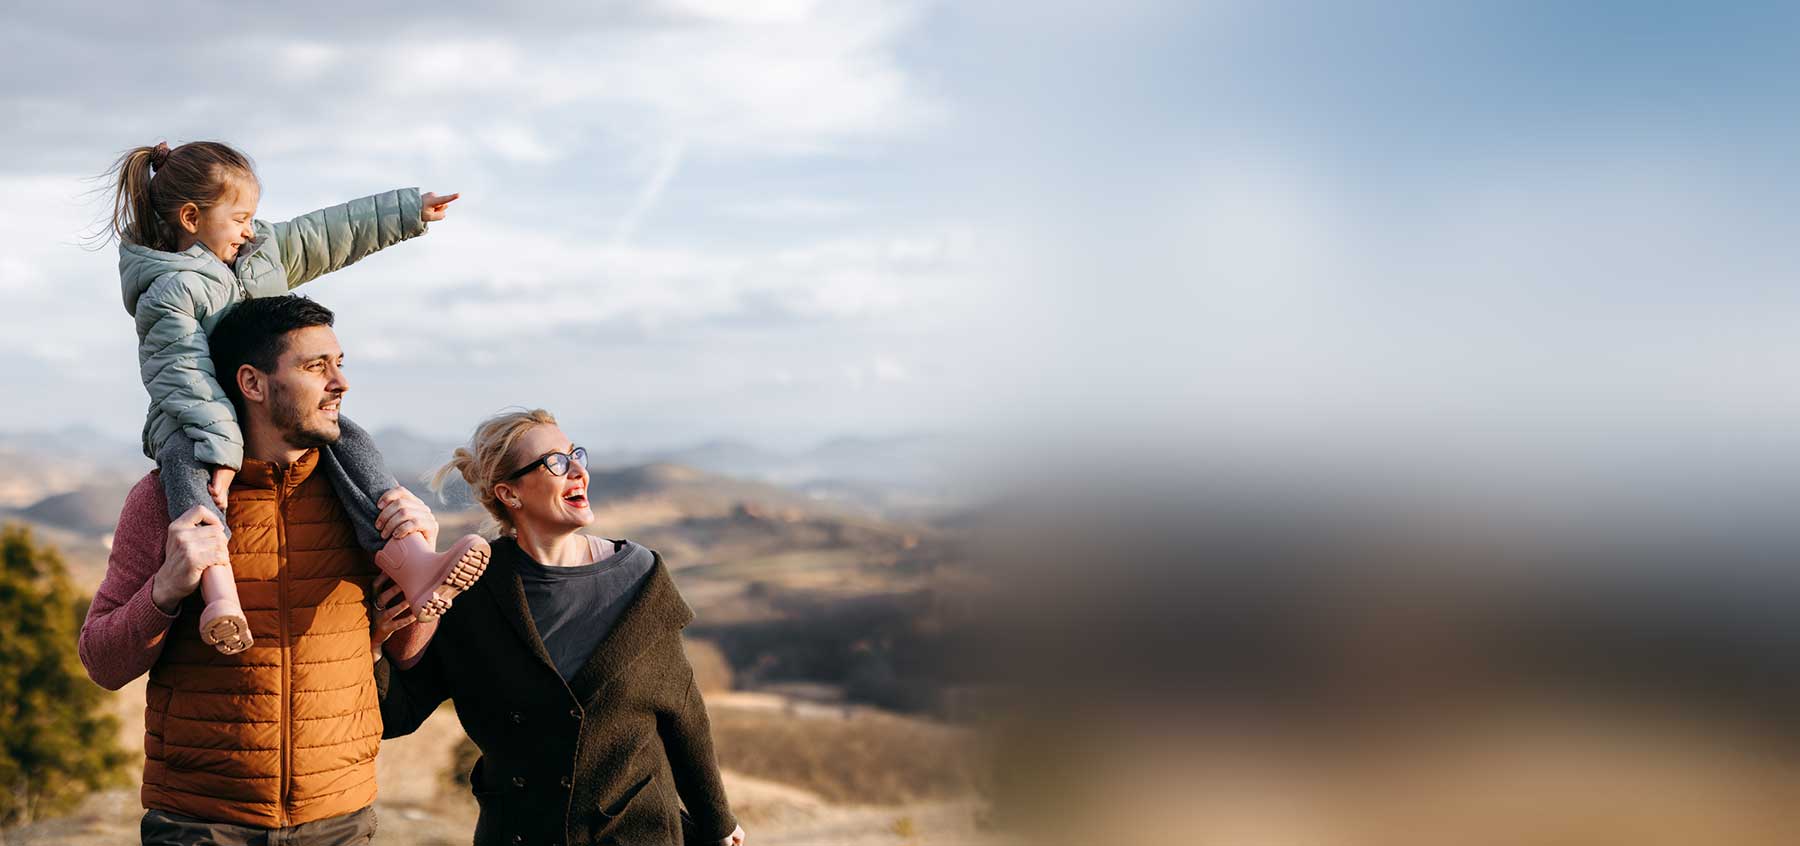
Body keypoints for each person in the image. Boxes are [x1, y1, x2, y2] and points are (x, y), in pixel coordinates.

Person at [102, 139, 488, 655]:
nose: (250, 229)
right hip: (191, 420)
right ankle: (218, 593)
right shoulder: (169, 288)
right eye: (240, 217)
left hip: (261, 416)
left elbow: (323, 234)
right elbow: (181, 373)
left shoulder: (258, 252)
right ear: (191, 217)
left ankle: (409, 556)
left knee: (349, 435)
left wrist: (404, 211)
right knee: (187, 472)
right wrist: (221, 449)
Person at [79, 295, 442, 844]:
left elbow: (409, 652)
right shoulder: (163, 501)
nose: (340, 383)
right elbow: (102, 662)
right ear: (252, 383)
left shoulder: (363, 501)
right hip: (201, 822)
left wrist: (421, 558)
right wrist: (165, 590)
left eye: (340, 363)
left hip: (338, 817)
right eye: (316, 367)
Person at [376, 409, 747, 845]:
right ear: (509, 493)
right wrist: (376, 638)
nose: (578, 472)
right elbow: (395, 714)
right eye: (555, 462)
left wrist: (718, 822)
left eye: (576, 456)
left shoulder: (641, 579)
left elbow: (683, 712)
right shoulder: (471, 589)